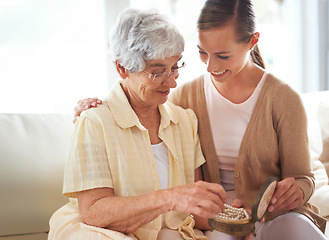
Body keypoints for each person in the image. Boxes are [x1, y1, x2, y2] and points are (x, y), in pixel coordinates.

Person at [75, 1, 328, 239]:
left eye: (176, 67)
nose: (173, 82)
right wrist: (95, 108)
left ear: (252, 42)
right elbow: (135, 95)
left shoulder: (280, 98)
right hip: (219, 221)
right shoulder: (182, 99)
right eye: (202, 53)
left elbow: (303, 178)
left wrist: (293, 191)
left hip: (268, 216)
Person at [48, 8, 231, 240]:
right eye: (158, 72)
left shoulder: (184, 121)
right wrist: (170, 197)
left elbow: (190, 209)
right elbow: (93, 212)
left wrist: (235, 215)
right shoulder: (94, 122)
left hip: (168, 233)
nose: (172, 82)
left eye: (175, 67)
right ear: (122, 68)